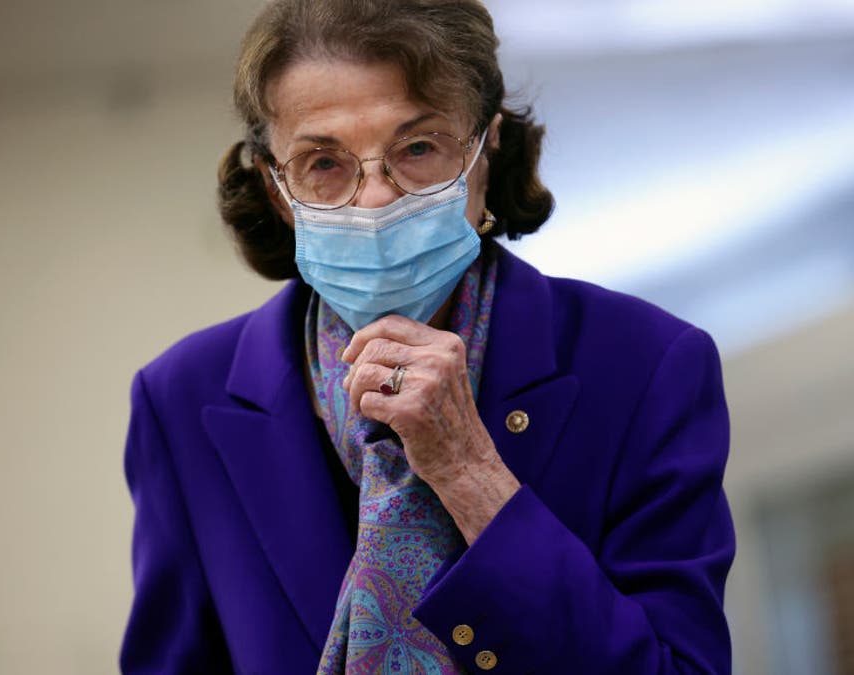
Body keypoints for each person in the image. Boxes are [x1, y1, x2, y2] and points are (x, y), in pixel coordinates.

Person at [119, 0, 735, 673]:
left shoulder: (645, 366)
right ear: (275, 188)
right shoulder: (179, 400)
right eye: (324, 164)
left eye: (417, 148)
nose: (375, 198)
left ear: (485, 149)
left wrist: (471, 473)